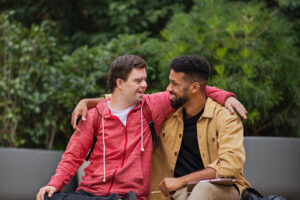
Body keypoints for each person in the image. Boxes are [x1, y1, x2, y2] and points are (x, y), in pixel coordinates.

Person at [70, 55, 248, 200]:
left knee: (202, 191)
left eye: (174, 84)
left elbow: (229, 167)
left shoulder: (225, 117)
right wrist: (88, 102)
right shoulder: (165, 111)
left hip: (219, 191)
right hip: (173, 193)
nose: (168, 88)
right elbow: (127, 100)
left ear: (194, 87)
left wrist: (181, 181)